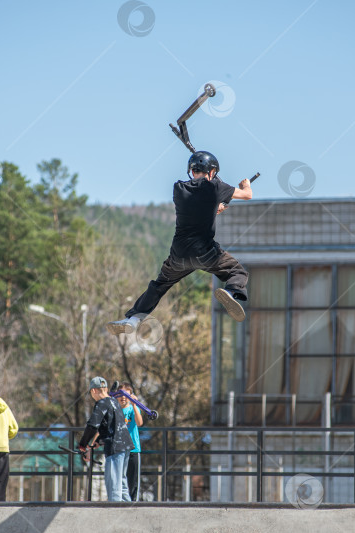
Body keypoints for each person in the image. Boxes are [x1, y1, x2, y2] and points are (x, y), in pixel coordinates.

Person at [106, 151, 253, 334]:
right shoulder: (216, 186)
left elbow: (196, 208)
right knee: (237, 271)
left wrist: (215, 207)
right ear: (212, 171)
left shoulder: (178, 189)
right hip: (205, 252)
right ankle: (231, 292)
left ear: (191, 172)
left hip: (179, 255)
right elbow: (247, 195)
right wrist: (245, 185)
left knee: (158, 286)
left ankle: (134, 319)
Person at [78, 376, 134, 502]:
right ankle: (131, 516)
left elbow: (93, 425)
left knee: (114, 485)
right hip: (126, 446)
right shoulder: (114, 401)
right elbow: (111, 425)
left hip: (115, 448)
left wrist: (83, 444)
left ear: (93, 391)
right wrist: (98, 441)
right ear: (106, 389)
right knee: (122, 484)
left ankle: (115, 517)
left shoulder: (101, 403)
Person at [118, 382, 143, 501]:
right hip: (119, 450)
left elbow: (139, 423)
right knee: (119, 480)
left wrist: (134, 405)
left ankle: (133, 504)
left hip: (133, 449)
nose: (123, 398)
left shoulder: (133, 408)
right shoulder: (115, 410)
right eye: (121, 395)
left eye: (126, 396)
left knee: (133, 481)